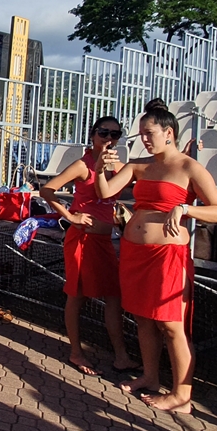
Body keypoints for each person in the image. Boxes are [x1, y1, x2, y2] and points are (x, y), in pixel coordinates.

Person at [94, 98, 217, 414]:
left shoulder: (189, 167)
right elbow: (105, 192)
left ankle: (182, 395)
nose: (143, 138)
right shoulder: (139, 165)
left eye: (149, 132)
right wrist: (101, 169)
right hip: (134, 253)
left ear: (168, 132)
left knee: (172, 326)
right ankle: (151, 377)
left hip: (167, 256)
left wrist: (185, 208)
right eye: (141, 133)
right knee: (144, 320)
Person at [38, 116, 140, 376]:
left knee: (114, 297)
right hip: (82, 239)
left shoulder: (118, 166)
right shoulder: (83, 165)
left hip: (104, 241)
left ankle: (121, 356)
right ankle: (76, 352)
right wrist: (70, 216)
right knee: (77, 295)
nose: (109, 139)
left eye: (115, 135)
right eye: (104, 133)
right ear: (93, 135)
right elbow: (47, 190)